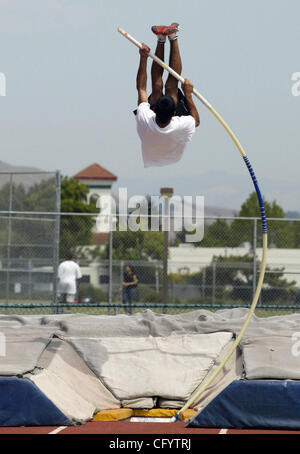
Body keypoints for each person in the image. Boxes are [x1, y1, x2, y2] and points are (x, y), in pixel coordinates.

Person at [135, 22, 200, 168]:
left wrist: (143, 58)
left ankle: (161, 39)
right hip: (172, 156)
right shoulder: (178, 126)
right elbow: (195, 121)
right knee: (171, 86)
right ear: (175, 114)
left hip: (158, 153)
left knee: (157, 88)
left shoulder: (146, 119)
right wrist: (188, 96)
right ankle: (172, 36)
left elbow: (142, 89)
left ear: (154, 110)